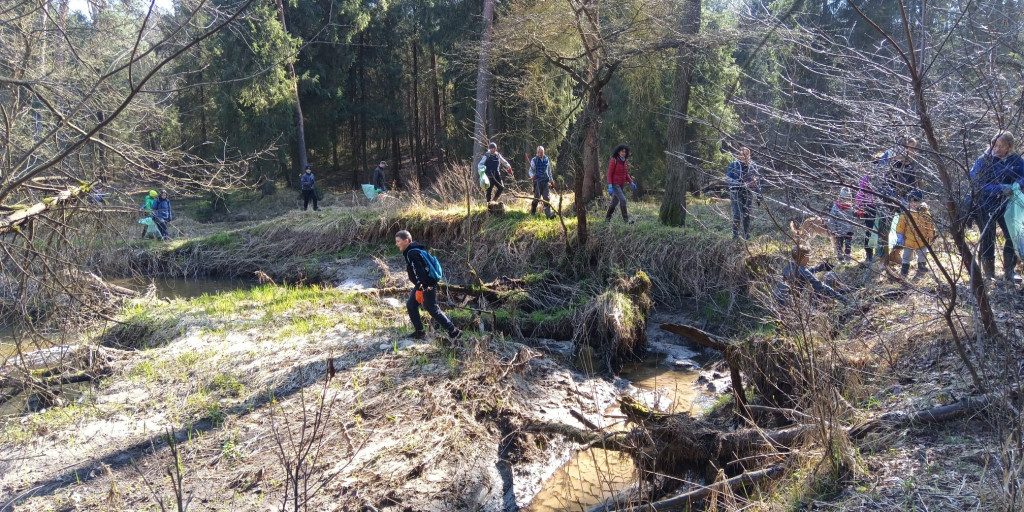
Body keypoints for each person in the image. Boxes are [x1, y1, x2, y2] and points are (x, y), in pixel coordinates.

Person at [967, 131, 1024, 281]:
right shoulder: (984, 160)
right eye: (995, 145)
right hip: (986, 203)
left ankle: (1009, 271)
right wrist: (999, 188)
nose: (997, 149)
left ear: (1009, 147)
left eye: (1001, 146)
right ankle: (989, 274)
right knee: (988, 236)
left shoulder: (1016, 160)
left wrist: (1018, 184)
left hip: (1009, 205)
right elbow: (976, 183)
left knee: (1012, 235)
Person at [396, 230, 463, 340]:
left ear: (406, 241)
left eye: (398, 241)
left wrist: (419, 289)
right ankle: (420, 332)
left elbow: (419, 272)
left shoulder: (411, 253)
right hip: (424, 284)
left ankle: (454, 331)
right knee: (411, 305)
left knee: (431, 308)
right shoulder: (415, 250)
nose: (396, 244)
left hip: (426, 285)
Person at [776, 246, 849, 305]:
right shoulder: (803, 271)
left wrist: (819, 268)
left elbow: (802, 274)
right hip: (788, 304)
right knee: (820, 296)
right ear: (804, 257)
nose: (808, 259)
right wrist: (844, 299)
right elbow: (821, 286)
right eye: (808, 256)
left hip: (777, 299)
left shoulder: (789, 265)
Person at [895, 190, 937, 277]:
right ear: (909, 202)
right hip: (908, 240)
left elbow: (930, 226)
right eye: (911, 202)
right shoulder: (905, 214)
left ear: (920, 202)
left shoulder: (925, 213)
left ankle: (921, 269)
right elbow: (901, 226)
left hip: (922, 239)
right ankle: (904, 270)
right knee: (906, 256)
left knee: (923, 253)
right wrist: (900, 236)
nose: (914, 204)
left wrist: (931, 236)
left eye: (916, 202)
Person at [725, 146, 760, 240]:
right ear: (739, 155)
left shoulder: (753, 166)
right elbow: (728, 178)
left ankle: (746, 236)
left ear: (749, 155)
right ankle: (735, 236)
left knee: (747, 214)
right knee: (737, 214)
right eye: (742, 154)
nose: (744, 156)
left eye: (746, 154)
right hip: (735, 191)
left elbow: (757, 181)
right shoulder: (733, 164)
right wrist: (738, 182)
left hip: (748, 192)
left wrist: (759, 195)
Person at [606, 144, 637, 224]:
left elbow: (626, 174)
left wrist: (631, 182)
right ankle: (626, 220)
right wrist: (610, 185)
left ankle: (607, 218)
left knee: (614, 202)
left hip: (621, 185)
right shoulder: (614, 160)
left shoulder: (625, 161)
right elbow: (609, 174)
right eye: (622, 151)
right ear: (618, 152)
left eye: (625, 152)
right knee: (623, 200)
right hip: (615, 184)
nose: (624, 153)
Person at [829, 187, 857, 263]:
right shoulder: (836, 207)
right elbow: (832, 218)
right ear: (841, 198)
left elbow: (853, 217)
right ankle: (840, 257)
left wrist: (853, 226)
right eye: (844, 199)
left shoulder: (850, 207)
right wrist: (833, 230)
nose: (846, 201)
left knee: (848, 244)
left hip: (848, 230)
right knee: (839, 244)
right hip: (839, 230)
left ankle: (847, 257)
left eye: (847, 199)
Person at [529, 146, 556, 219]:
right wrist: (532, 176)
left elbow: (549, 171)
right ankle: (533, 212)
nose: (540, 154)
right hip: (537, 182)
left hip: (545, 182)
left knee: (546, 198)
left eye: (541, 152)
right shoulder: (534, 160)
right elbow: (530, 171)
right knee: (537, 198)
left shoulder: (547, 159)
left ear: (544, 152)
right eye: (539, 152)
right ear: (537, 152)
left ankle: (549, 215)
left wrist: (552, 181)